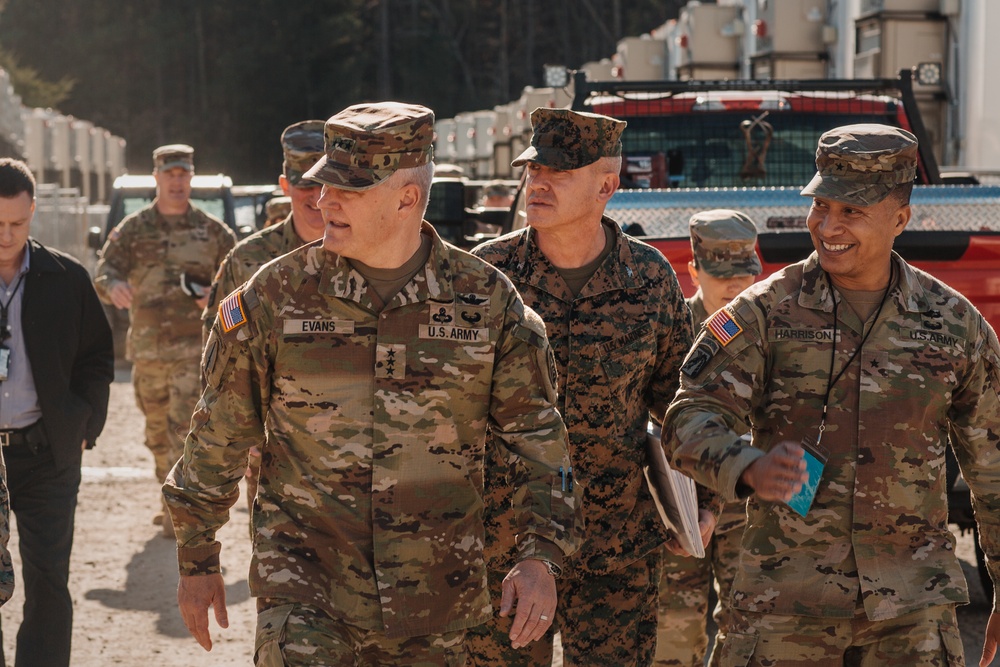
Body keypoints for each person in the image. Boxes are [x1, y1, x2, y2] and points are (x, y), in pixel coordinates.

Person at [163, 101, 583, 666]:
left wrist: (540, 557)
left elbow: (539, 446)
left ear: (407, 197)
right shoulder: (274, 296)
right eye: (321, 186)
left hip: (435, 597)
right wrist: (197, 556)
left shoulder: (487, 303)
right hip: (305, 585)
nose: (323, 200)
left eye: (349, 190)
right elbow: (218, 434)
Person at [663, 124, 1000, 667]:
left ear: (900, 218)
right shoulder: (764, 312)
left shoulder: (954, 324)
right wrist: (748, 463)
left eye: (852, 211)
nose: (828, 225)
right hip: (784, 605)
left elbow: (994, 463)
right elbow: (690, 415)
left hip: (911, 612)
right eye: (821, 205)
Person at [467, 107, 705, 667]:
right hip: (507, 546)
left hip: (616, 550)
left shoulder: (648, 279)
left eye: (559, 173)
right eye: (534, 169)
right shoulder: (486, 278)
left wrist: (703, 502)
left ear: (606, 187)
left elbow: (684, 399)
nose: (538, 183)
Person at [0, 158, 114, 666]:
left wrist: (84, 423)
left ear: (33, 213)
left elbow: (97, 357)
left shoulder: (67, 279)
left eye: (17, 225)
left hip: (48, 454)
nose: (6, 236)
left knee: (47, 582)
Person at [94, 144, 236, 537]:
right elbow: (105, 270)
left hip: (195, 351)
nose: (176, 181)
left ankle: (179, 511)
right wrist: (114, 285)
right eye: (169, 174)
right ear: (156, 177)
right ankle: (168, 494)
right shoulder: (133, 229)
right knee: (157, 433)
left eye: (183, 174)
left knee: (182, 430)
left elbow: (241, 280)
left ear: (191, 177)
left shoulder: (214, 232)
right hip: (148, 350)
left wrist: (219, 297)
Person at [202, 119, 326, 510]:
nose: (316, 195)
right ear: (285, 185)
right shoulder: (248, 261)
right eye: (304, 183)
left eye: (326, 181)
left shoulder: (371, 254)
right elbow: (218, 356)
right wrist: (240, 434)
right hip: (274, 455)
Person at [655, 209, 761, 667]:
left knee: (750, 632)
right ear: (694, 271)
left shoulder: (770, 326)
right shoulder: (672, 331)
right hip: (680, 510)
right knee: (674, 637)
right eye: (723, 276)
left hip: (748, 505)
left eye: (745, 273)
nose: (736, 286)